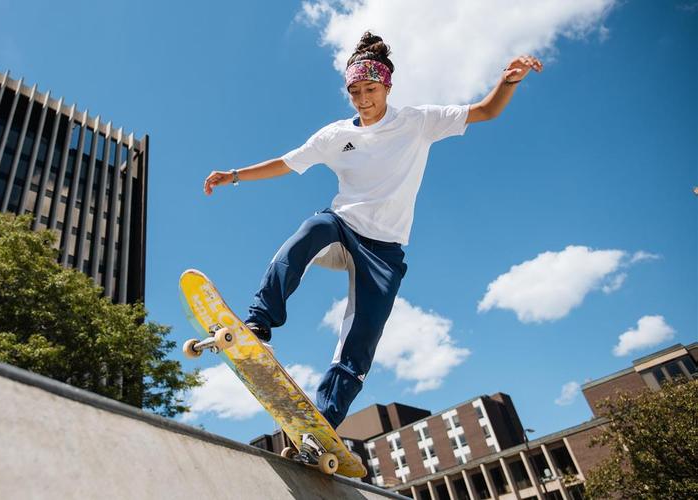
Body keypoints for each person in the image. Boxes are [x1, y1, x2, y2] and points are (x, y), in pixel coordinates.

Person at [203, 32, 542, 429]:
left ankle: (322, 425)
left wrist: (508, 81)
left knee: (360, 341)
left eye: (371, 89)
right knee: (311, 229)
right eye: (355, 92)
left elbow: (485, 111)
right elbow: (286, 162)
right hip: (342, 230)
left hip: (384, 252)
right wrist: (235, 176)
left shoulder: (418, 122)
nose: (364, 100)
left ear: (387, 86)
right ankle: (260, 320)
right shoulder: (335, 136)